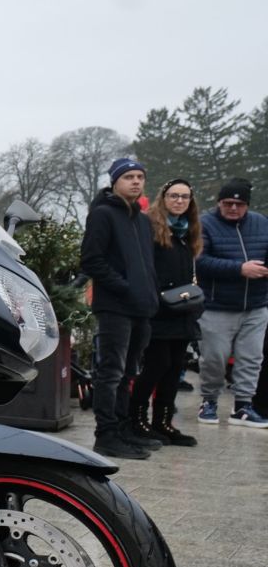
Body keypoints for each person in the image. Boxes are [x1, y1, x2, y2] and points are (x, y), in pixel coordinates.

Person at [79, 158, 159, 459]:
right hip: (114, 306)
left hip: (141, 308)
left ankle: (124, 429)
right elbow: (91, 260)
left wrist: (149, 293)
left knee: (128, 372)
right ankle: (106, 434)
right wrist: (126, 287)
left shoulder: (141, 219)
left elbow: (147, 264)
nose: (136, 182)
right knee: (110, 372)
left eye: (140, 176)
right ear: (115, 181)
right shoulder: (103, 215)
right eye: (129, 177)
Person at [131, 179, 201, 446]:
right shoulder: (151, 227)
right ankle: (137, 418)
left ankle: (163, 422)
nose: (179, 201)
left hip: (183, 309)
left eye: (184, 197)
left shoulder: (188, 231)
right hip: (159, 308)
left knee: (174, 368)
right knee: (156, 365)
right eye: (174, 196)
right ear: (164, 198)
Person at [193, 178, 268, 427]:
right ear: (219, 202)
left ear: (247, 205)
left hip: (255, 305)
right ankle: (209, 401)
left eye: (239, 203)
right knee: (214, 357)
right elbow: (201, 262)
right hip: (217, 305)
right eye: (228, 203)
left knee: (251, 357)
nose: (233, 208)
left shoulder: (260, 222)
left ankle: (243, 406)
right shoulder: (205, 223)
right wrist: (240, 269)